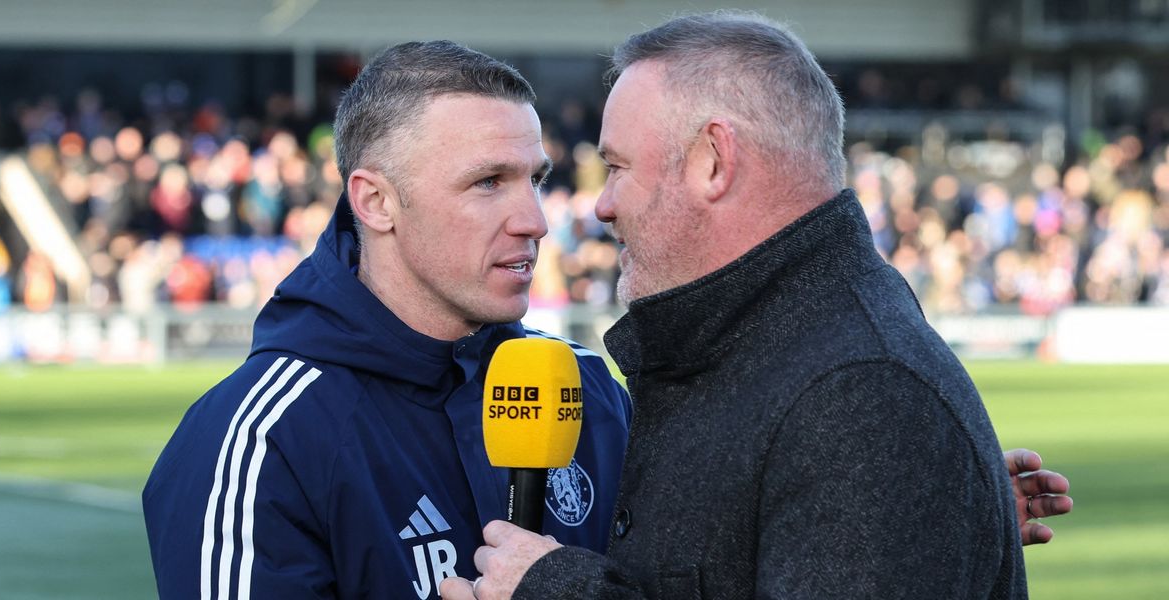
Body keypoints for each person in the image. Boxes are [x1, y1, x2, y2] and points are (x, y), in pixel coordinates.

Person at [443, 13, 1070, 600]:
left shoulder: (861, 394)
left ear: (714, 160)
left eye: (617, 167)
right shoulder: (785, 358)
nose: (602, 205)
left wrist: (555, 589)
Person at [142, 41, 632, 599]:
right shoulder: (261, 440)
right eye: (488, 182)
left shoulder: (592, 392)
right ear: (375, 202)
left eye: (536, 180)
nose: (534, 220)